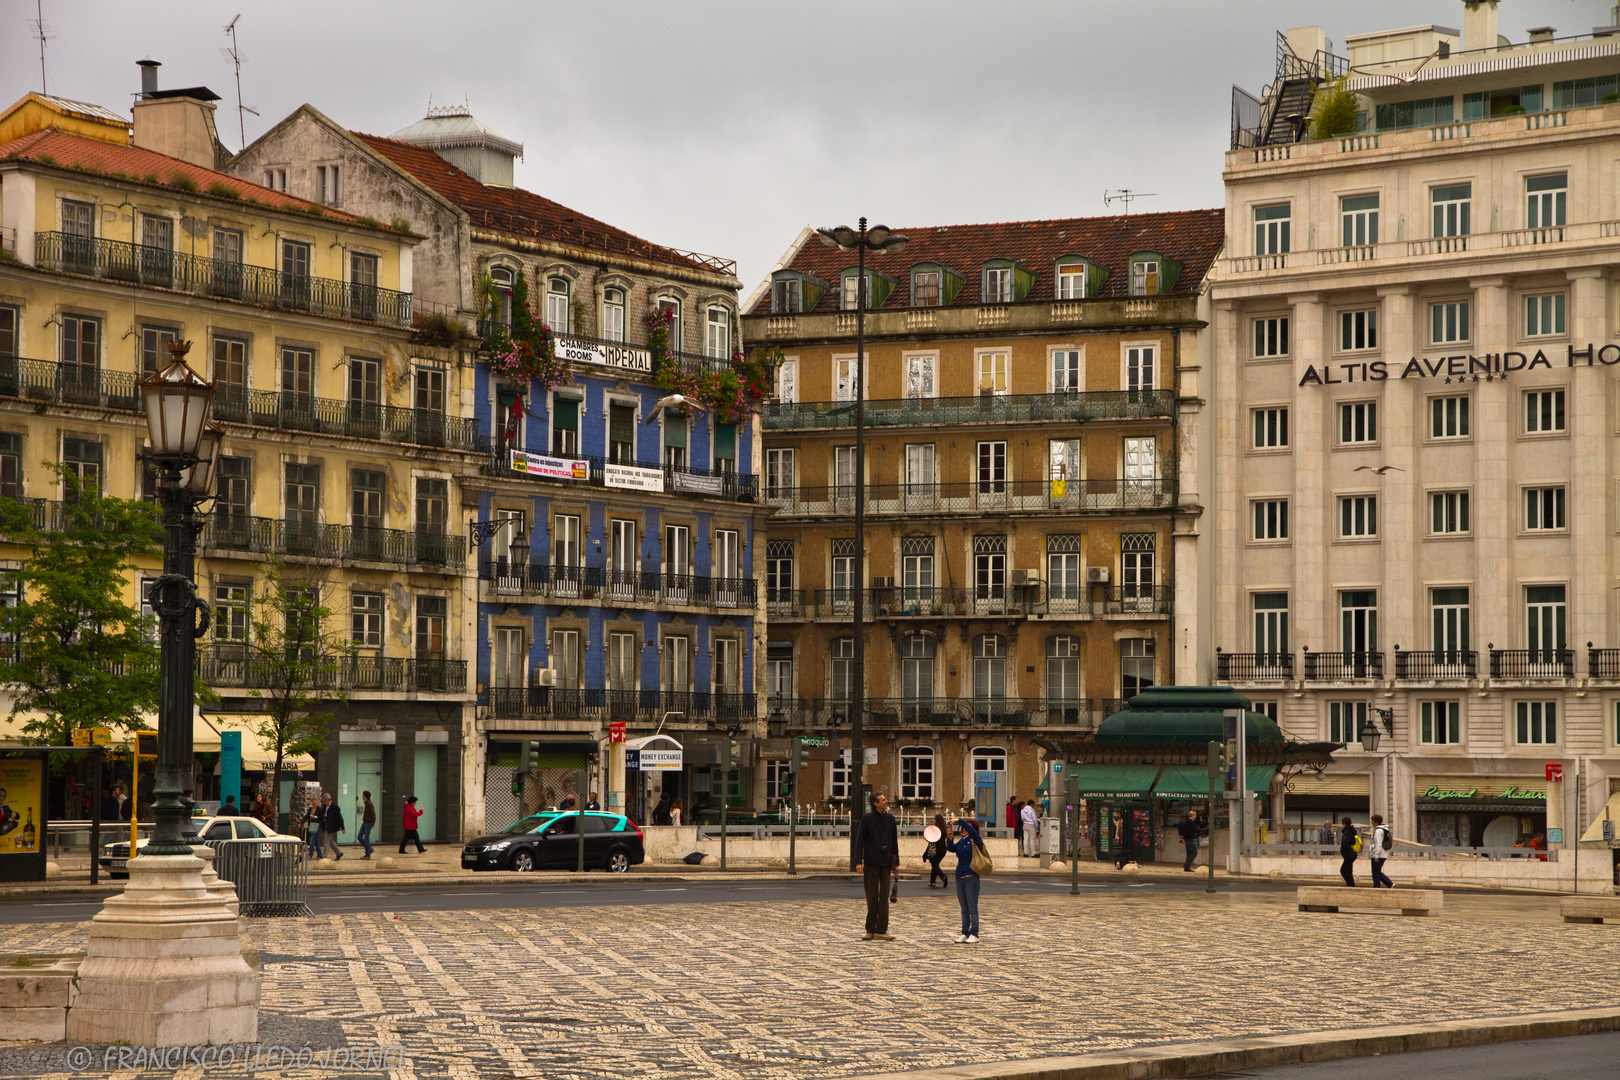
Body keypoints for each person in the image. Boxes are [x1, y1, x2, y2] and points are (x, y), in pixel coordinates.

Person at [852, 792, 899, 941]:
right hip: (871, 863)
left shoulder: (890, 819)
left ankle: (881, 930)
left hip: (886, 863)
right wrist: (858, 862)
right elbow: (859, 842)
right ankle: (870, 929)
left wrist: (896, 863)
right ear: (875, 803)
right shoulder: (867, 819)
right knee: (872, 897)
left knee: (884, 897)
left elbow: (893, 842)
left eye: (886, 798)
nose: (886, 801)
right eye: (883, 800)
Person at [946, 813, 985, 943]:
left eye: (966, 828)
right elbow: (951, 848)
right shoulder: (962, 841)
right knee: (964, 907)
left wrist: (960, 821)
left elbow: (973, 832)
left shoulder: (975, 840)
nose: (963, 830)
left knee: (972, 907)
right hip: (960, 876)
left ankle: (974, 933)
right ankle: (964, 932)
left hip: (971, 876)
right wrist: (950, 838)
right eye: (963, 828)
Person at [1368, 814, 1393, 888]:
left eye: (1372, 820)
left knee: (1375, 872)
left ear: (1376, 822)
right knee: (1377, 871)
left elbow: (1378, 844)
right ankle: (1388, 884)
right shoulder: (1383, 830)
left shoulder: (1378, 831)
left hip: (1378, 855)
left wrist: (1375, 855)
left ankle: (1382, 885)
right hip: (1382, 854)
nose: (1371, 822)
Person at [319, 792, 345, 860]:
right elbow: (322, 815)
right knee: (330, 841)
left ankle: (324, 856)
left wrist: (342, 827)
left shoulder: (334, 807)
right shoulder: (325, 806)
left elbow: (339, 817)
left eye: (324, 800)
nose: (323, 802)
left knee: (326, 840)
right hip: (326, 825)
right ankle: (339, 853)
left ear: (327, 800)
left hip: (332, 826)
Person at [926, 813, 950, 887]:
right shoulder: (944, 828)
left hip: (936, 850)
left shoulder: (935, 829)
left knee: (935, 865)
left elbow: (930, 840)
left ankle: (943, 877)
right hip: (943, 850)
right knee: (935, 865)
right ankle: (932, 881)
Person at [1339, 816, 1359, 887]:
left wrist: (1343, 852)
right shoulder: (1352, 831)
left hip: (1348, 854)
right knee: (1348, 871)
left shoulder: (1347, 832)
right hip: (1352, 853)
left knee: (1344, 870)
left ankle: (1350, 885)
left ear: (1344, 824)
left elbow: (1346, 844)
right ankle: (1351, 884)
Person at [357, 790, 376, 859]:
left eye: (363, 795)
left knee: (366, 838)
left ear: (365, 796)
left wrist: (372, 823)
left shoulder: (369, 804)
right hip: (364, 823)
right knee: (359, 837)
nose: (362, 796)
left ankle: (368, 854)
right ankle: (369, 849)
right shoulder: (366, 803)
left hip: (368, 823)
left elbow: (373, 815)